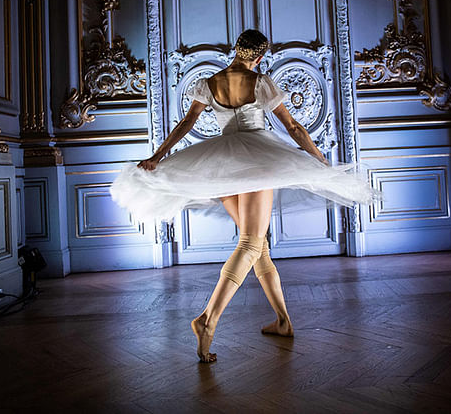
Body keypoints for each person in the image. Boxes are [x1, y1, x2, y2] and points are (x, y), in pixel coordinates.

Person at [110, 29, 381, 363]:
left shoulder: (209, 83)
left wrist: (159, 156)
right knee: (252, 243)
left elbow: (185, 124)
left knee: (259, 244)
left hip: (221, 164)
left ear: (236, 51)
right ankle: (207, 320)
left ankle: (283, 321)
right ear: (260, 57)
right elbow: (293, 126)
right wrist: (320, 160)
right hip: (256, 160)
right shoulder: (261, 81)